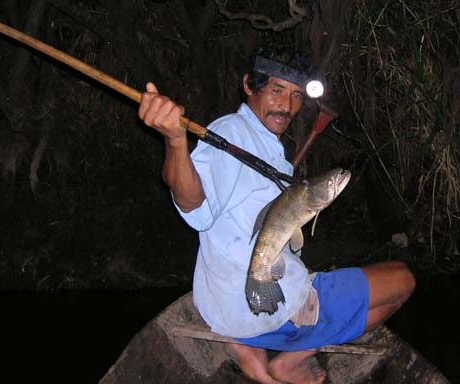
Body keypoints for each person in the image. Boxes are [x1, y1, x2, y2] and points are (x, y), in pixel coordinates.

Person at [138, 48, 416, 384]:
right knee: (402, 279)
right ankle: (290, 361)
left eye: (296, 95)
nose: (287, 105)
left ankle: (245, 343)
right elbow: (193, 204)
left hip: (223, 305)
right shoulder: (231, 134)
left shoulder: (266, 147)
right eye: (276, 90)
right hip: (266, 303)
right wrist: (175, 141)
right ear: (249, 86)